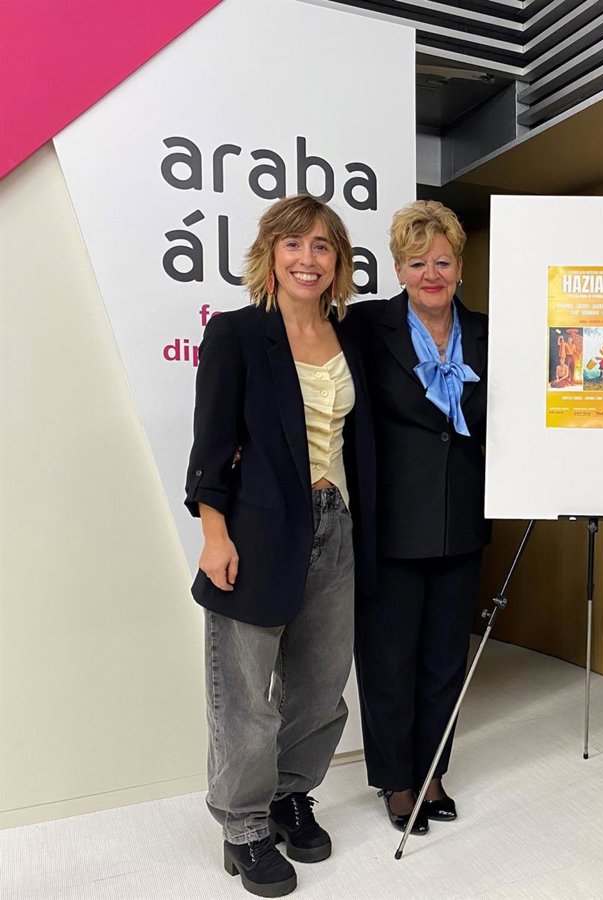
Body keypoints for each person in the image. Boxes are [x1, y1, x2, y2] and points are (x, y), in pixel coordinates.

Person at [185, 194, 375, 898]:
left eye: (322, 246)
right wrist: (214, 535)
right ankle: (242, 826)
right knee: (245, 695)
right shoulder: (237, 333)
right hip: (257, 532)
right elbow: (211, 443)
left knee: (321, 687)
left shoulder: (350, 336)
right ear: (269, 253)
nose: (307, 258)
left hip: (335, 527)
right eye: (293, 243)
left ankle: (291, 795)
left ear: (338, 262)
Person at [350, 200, 489, 837]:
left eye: (442, 261)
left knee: (444, 659)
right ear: (398, 269)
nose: (431, 274)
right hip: (390, 523)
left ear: (460, 265)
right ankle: (396, 780)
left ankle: (433, 770)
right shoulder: (364, 325)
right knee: (389, 659)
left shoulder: (486, 332)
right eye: (416, 263)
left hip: (462, 520)